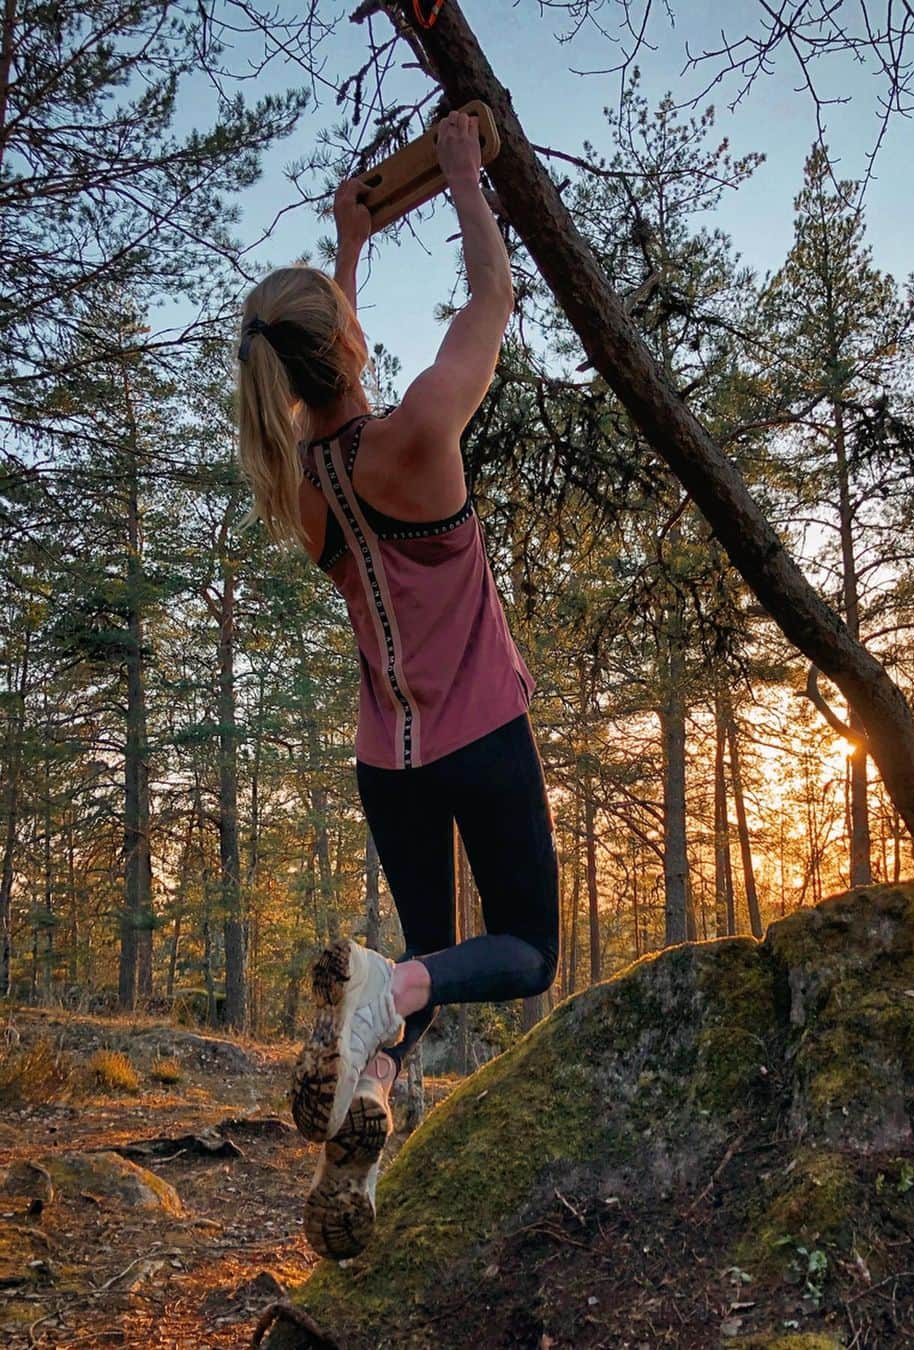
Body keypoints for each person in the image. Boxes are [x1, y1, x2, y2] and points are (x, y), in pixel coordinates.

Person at [234, 109, 559, 1260]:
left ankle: (364, 1111)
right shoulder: (419, 432)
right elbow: (492, 300)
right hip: (481, 730)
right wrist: (468, 183)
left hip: (390, 761)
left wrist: (350, 250)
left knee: (414, 975)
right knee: (520, 949)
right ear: (347, 344)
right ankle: (387, 1006)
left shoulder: (305, 485)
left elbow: (328, 371)